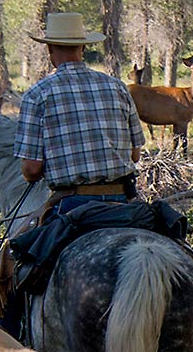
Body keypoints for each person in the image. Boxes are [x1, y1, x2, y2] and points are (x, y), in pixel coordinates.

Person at [14, 12, 146, 214]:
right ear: (83, 47)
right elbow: (134, 155)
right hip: (122, 198)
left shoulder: (37, 94)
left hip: (72, 203)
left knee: (23, 245)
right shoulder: (118, 87)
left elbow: (32, 169)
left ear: (49, 49)